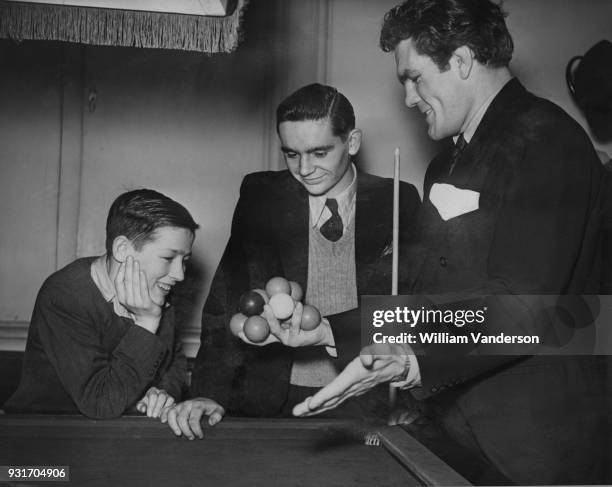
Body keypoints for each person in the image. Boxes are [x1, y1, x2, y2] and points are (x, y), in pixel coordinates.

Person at [293, 1, 607, 485]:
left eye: (414, 77)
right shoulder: (445, 164)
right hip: (455, 435)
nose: (408, 97)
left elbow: (524, 306)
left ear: (461, 61)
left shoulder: (549, 141)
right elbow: (427, 301)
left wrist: (413, 357)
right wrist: (331, 331)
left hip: (534, 449)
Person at [168, 83, 421, 439]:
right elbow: (225, 301)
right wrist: (208, 393)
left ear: (352, 143)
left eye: (319, 153)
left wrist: (408, 398)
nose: (304, 168)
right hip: (271, 398)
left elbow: (414, 306)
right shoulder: (261, 196)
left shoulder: (398, 200)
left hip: (365, 397)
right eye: (291, 154)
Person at [3, 189, 196, 419]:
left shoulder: (159, 291)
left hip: (116, 435)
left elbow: (173, 363)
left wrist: (160, 395)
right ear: (122, 250)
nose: (179, 275)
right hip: (43, 435)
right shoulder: (65, 295)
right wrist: (146, 322)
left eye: (184, 260)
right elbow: (101, 403)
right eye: (168, 258)